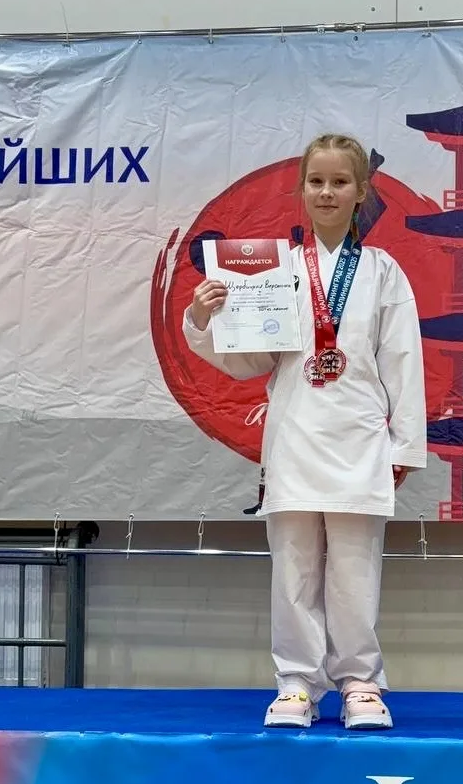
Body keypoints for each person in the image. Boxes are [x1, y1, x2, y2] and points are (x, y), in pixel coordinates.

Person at [183, 134, 427, 730]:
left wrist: (404, 446)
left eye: (340, 182)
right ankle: (295, 682)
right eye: (316, 181)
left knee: (354, 567)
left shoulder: (383, 272)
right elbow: (250, 361)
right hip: (293, 433)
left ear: (361, 191)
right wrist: (204, 316)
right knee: (293, 564)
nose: (327, 192)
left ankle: (360, 682)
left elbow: (403, 361)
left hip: (359, 437)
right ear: (301, 189)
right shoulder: (273, 271)